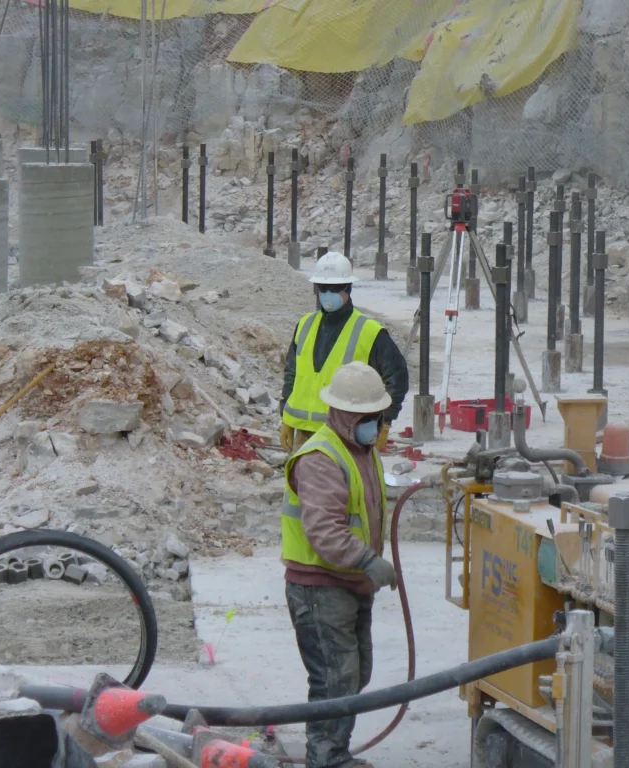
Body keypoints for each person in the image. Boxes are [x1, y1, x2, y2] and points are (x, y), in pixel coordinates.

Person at [282, 361, 398, 768]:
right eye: (368, 418)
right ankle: (326, 758)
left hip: (348, 584)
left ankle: (334, 752)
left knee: (353, 674)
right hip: (320, 587)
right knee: (334, 678)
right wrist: (368, 560)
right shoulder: (320, 458)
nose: (376, 425)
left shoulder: (362, 452)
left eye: (378, 416)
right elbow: (325, 531)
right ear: (346, 415)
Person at [279, 252, 409, 455]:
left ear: (348, 288)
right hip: (304, 435)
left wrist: (385, 421)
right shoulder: (305, 325)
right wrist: (285, 417)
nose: (327, 294)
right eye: (323, 288)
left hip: (346, 436)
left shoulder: (369, 331)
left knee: (344, 486)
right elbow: (292, 374)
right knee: (302, 486)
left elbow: (397, 377)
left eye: (335, 288)